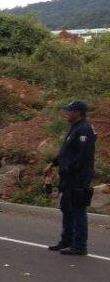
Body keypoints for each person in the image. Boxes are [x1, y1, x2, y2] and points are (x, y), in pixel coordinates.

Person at [46, 101, 97, 256]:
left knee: (77, 210)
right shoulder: (75, 128)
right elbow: (66, 151)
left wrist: (69, 168)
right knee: (67, 209)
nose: (67, 113)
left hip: (78, 178)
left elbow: (84, 155)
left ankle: (80, 245)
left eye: (69, 111)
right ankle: (66, 240)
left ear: (78, 112)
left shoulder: (84, 129)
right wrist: (53, 163)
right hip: (68, 177)